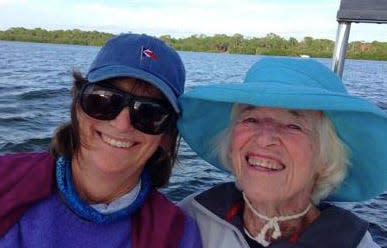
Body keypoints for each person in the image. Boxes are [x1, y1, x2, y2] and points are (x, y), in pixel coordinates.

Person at [0, 33, 202, 247]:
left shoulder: (175, 235)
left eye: (149, 113)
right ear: (78, 106)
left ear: (167, 135)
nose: (122, 124)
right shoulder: (6, 180)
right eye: (103, 100)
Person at [177, 57, 387, 247]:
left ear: (326, 158)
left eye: (293, 126)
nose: (264, 139)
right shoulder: (190, 219)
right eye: (251, 119)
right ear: (232, 144)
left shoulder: (352, 243)